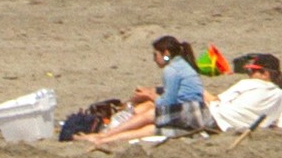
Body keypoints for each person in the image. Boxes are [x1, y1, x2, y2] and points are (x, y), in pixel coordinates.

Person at [87, 37, 218, 148]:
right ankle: (104, 140)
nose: (154, 59)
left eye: (155, 55)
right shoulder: (183, 65)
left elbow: (167, 102)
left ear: (166, 53)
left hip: (189, 113)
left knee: (150, 114)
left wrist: (149, 96)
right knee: (150, 129)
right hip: (200, 115)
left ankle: (105, 135)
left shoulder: (171, 70)